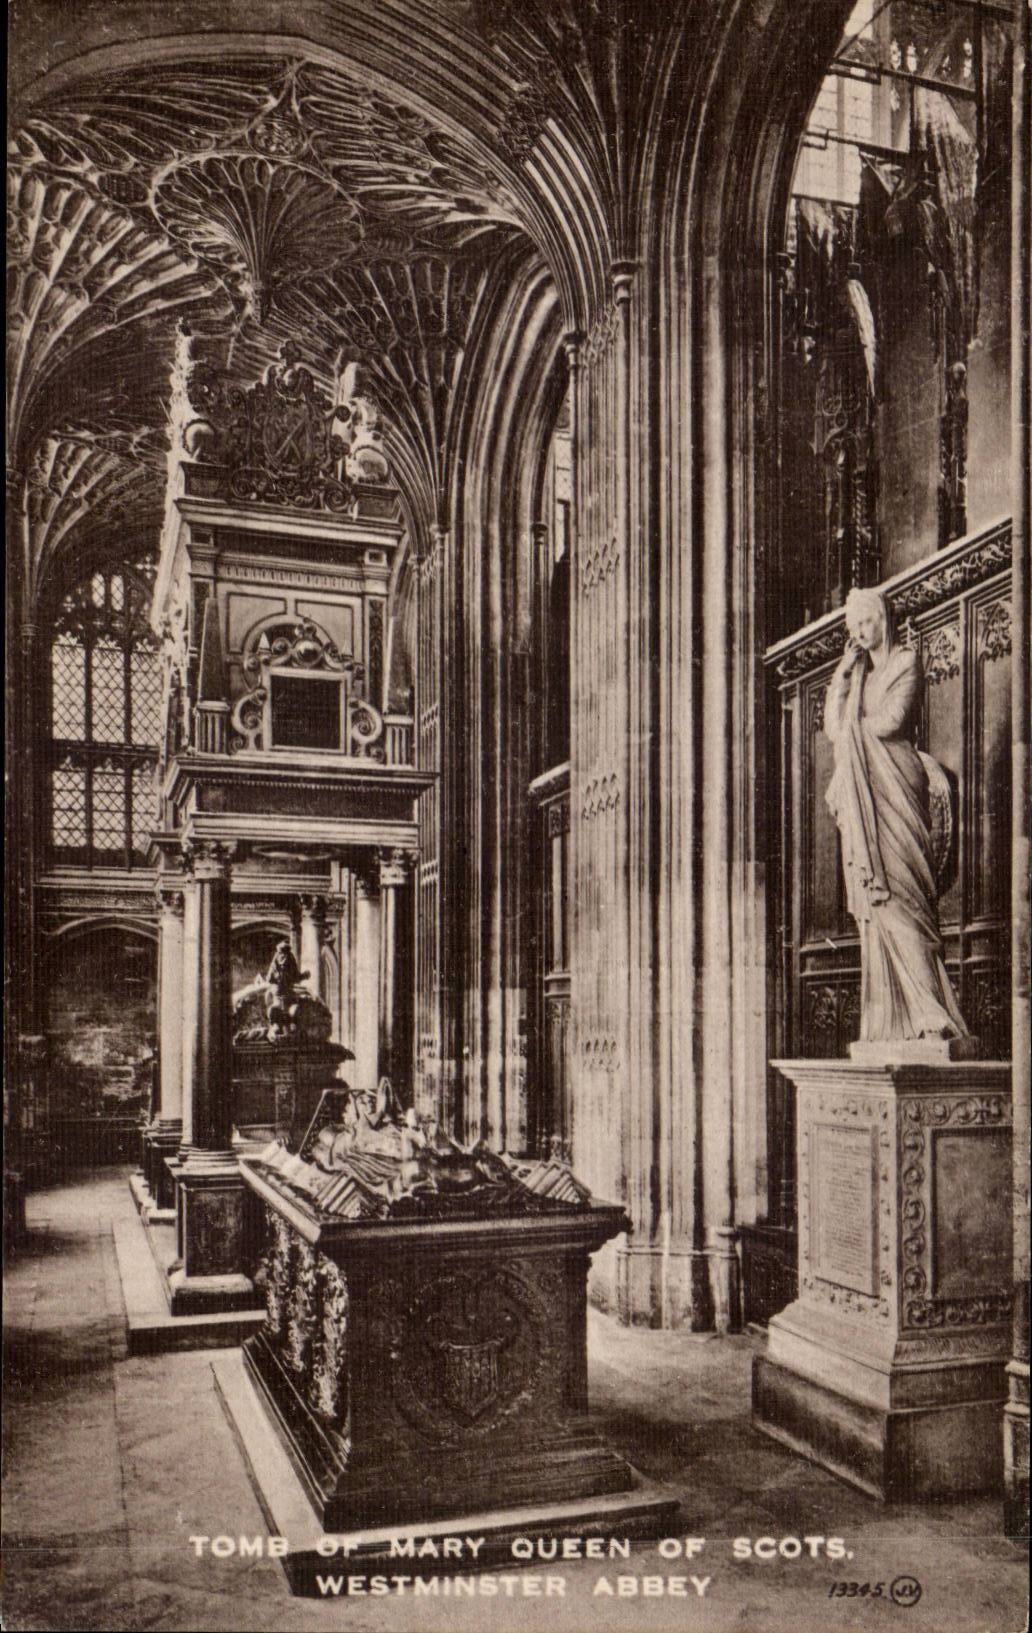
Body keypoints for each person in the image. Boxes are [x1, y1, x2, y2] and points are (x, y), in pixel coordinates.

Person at [824, 587, 969, 1046]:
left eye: (865, 623)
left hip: (897, 786)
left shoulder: (906, 661)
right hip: (869, 787)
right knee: (877, 904)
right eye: (853, 629)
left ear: (882, 618)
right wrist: (843, 676)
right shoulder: (860, 672)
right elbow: (833, 727)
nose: (861, 634)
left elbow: (892, 719)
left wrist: (851, 728)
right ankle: (890, 1023)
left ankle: (933, 1015)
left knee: (904, 902)